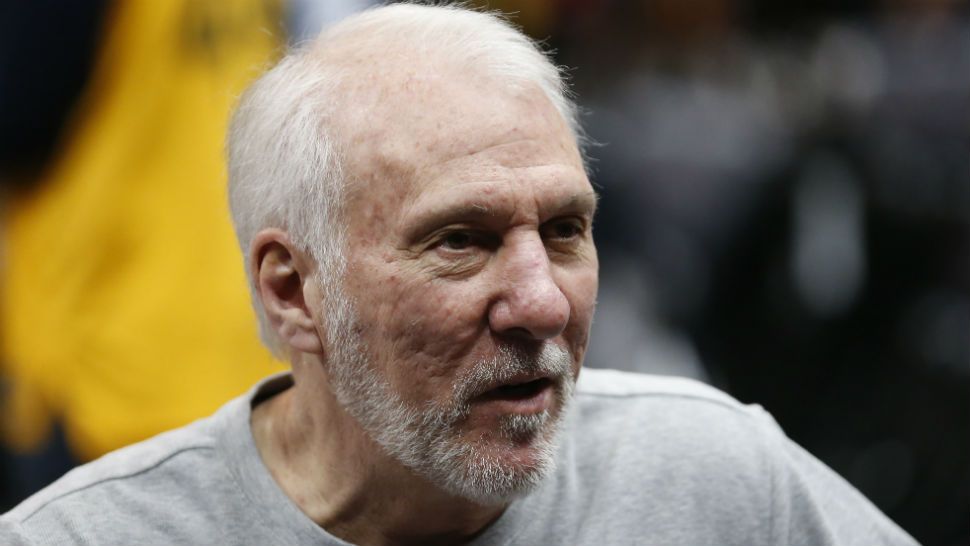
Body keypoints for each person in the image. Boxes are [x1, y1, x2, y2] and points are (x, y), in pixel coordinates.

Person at [0, 4, 919, 545]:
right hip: (121, 394)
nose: (545, 301)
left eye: (566, 230)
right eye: (460, 242)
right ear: (289, 287)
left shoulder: (713, 482)